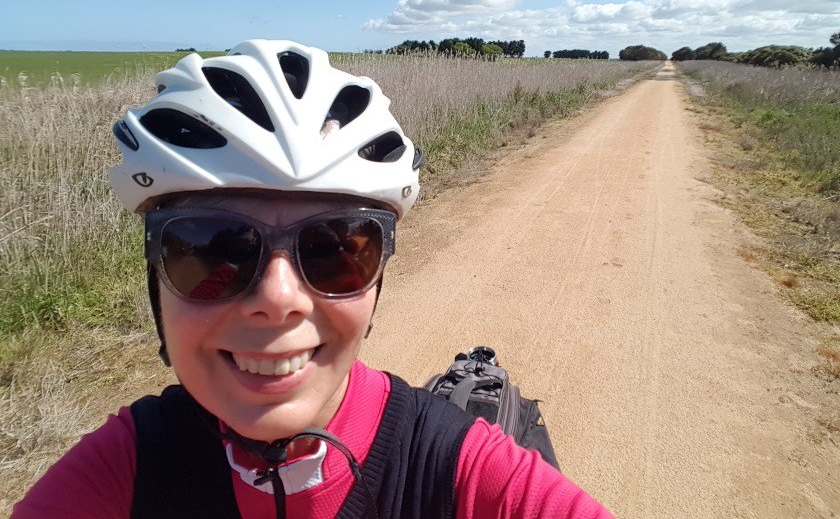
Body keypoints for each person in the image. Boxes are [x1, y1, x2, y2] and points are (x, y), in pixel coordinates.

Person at [13, 39, 612, 518]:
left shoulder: (455, 467)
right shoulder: (123, 472)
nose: (278, 301)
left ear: (378, 281)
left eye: (332, 250)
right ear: (153, 275)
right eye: (212, 245)